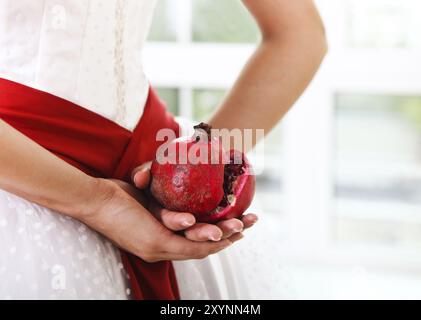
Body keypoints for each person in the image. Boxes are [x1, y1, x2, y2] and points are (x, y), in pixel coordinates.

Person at [0, 0, 326, 299]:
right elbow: (300, 36)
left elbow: (300, 37)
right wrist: (95, 202)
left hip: (153, 157)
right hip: (21, 187)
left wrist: (199, 173)